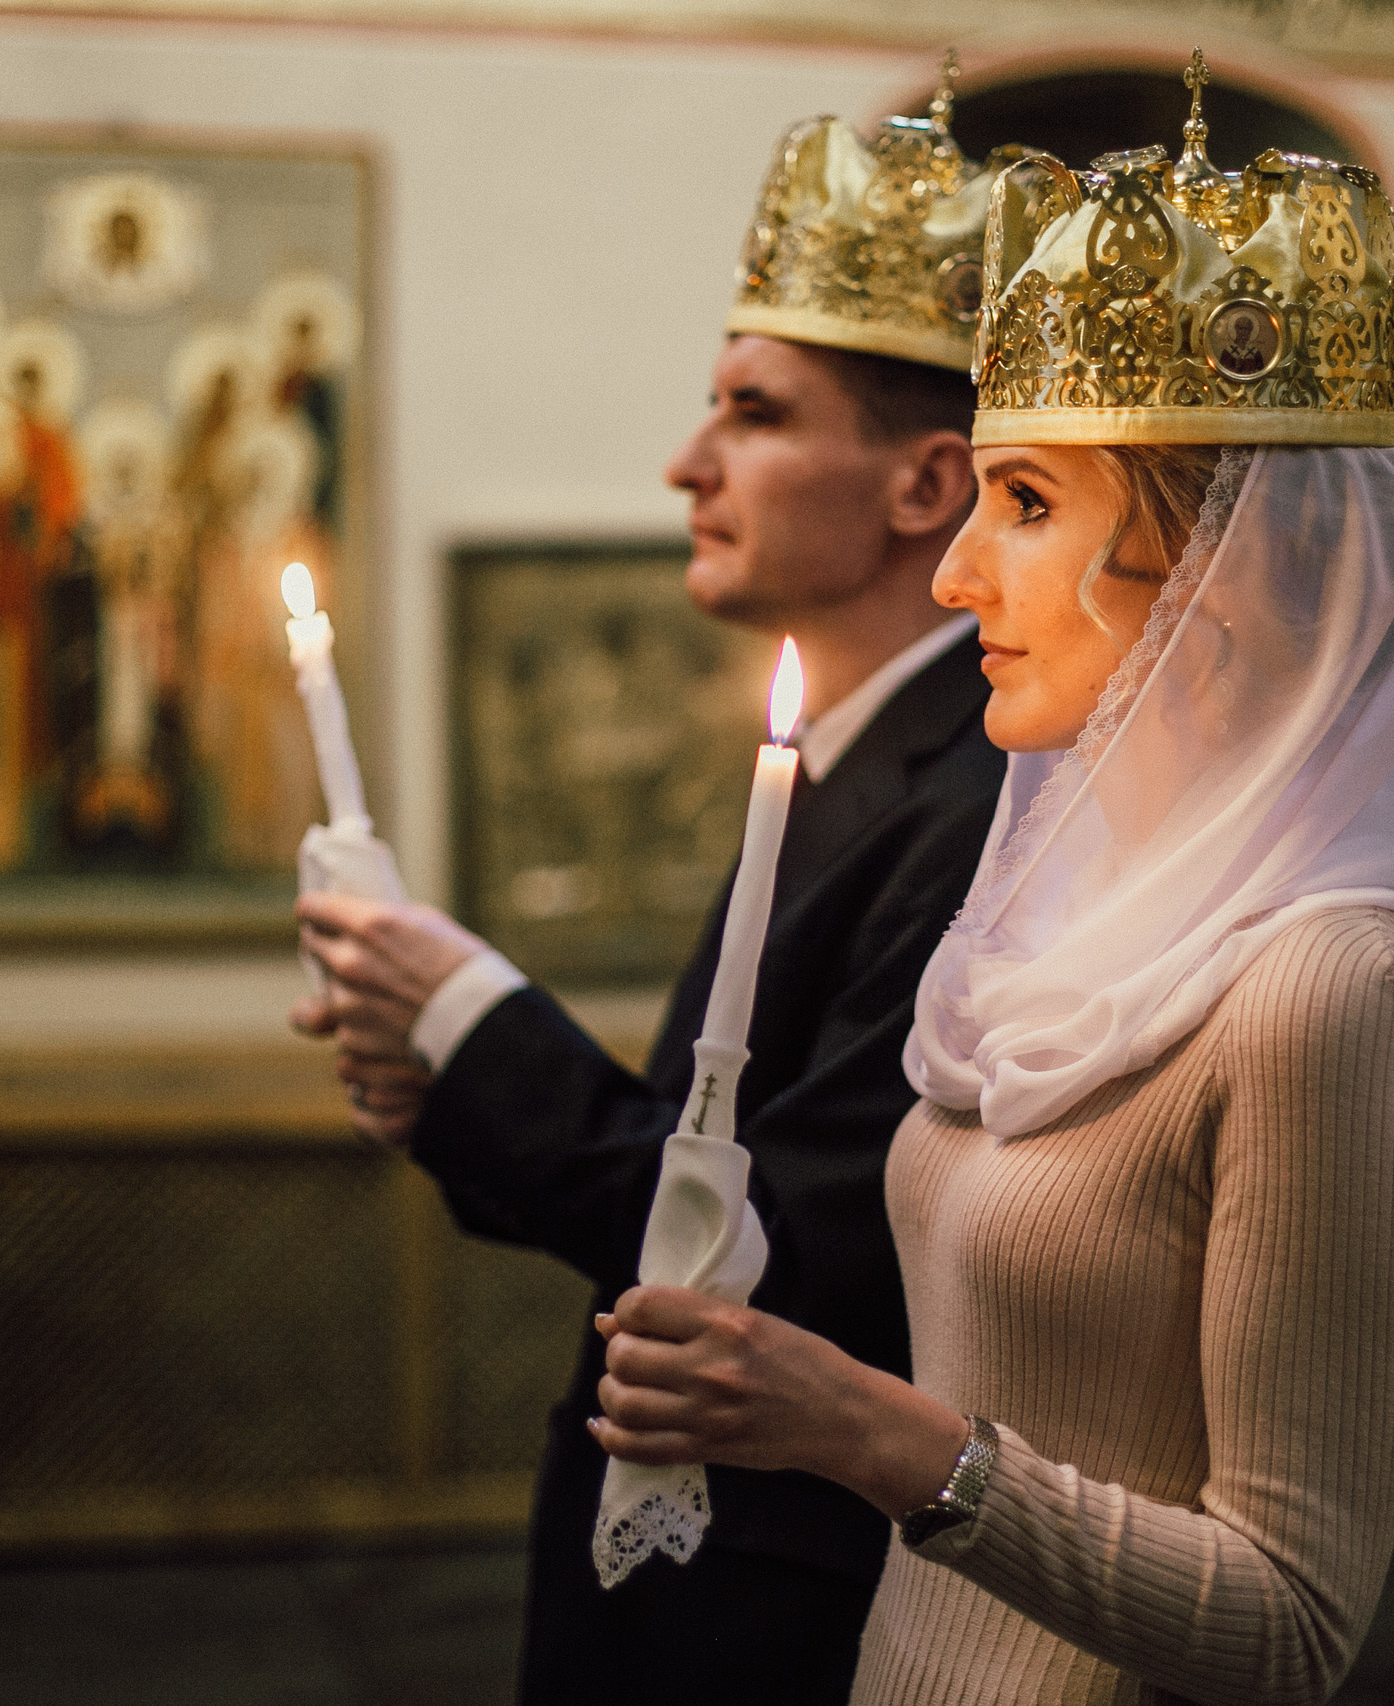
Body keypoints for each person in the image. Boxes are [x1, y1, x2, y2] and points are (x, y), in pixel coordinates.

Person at [588, 73, 1394, 1706]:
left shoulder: (1332, 987)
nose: (954, 574)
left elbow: (1291, 1624)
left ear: (1234, 562)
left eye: (1026, 504)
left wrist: (871, 1432)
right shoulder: (1064, 903)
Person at [294, 67, 1011, 1706]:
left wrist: (471, 1014)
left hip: (794, 1598)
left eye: (756, 413)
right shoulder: (845, 755)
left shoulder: (969, 800)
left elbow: (773, 1255)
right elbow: (690, 1178)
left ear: (925, 483)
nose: (690, 461)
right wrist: (437, 1087)